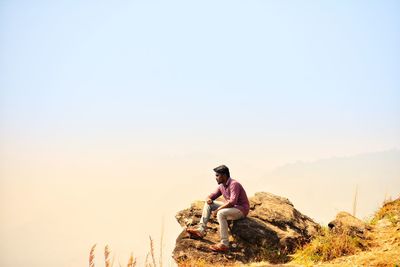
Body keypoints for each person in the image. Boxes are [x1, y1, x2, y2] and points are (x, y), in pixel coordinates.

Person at [186, 165, 250, 252]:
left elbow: (232, 202)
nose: (216, 178)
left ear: (224, 175)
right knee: (209, 205)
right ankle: (200, 231)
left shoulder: (234, 184)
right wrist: (208, 199)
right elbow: (211, 196)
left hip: (241, 210)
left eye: (217, 175)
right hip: (231, 208)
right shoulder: (222, 186)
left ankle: (224, 244)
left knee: (221, 213)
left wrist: (217, 210)